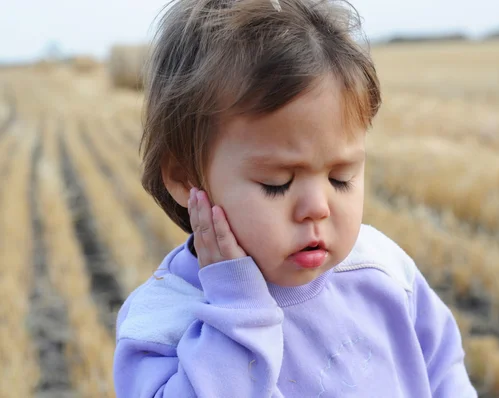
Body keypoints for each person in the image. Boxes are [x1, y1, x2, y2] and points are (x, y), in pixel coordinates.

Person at [113, 0, 478, 396]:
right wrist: (237, 310)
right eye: (277, 184)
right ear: (185, 178)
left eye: (340, 178)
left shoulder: (383, 271)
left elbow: (443, 371)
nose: (317, 208)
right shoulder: (162, 323)